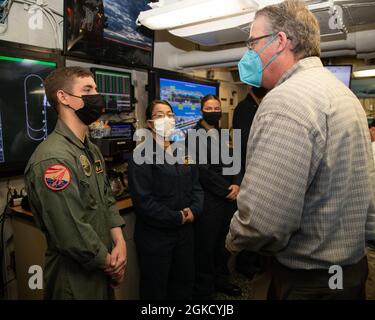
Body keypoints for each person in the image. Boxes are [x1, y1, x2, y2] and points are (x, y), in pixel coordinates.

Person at [226, 0, 375, 300]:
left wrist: (231, 240)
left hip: (309, 281)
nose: (249, 53)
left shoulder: (286, 100)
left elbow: (264, 223)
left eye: (252, 42)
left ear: (280, 41)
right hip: (347, 272)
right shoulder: (343, 96)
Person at [24, 67, 127, 299]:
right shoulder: (53, 159)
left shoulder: (91, 150)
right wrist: (111, 264)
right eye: (88, 89)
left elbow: (107, 199)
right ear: (63, 97)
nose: (96, 96)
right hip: (74, 279)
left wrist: (120, 243)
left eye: (96, 89)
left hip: (102, 267)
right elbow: (70, 230)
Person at [127, 100, 203, 300]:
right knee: (156, 289)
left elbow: (196, 187)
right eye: (160, 115)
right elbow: (144, 202)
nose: (167, 119)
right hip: (156, 236)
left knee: (184, 284)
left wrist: (194, 211)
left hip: (185, 233)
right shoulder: (140, 155)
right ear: (150, 123)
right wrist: (177, 217)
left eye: (170, 114)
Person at [187, 94, 242, 299]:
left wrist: (237, 183)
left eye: (216, 108)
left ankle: (222, 281)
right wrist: (227, 190)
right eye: (208, 109)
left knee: (223, 243)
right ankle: (205, 289)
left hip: (229, 196)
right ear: (201, 111)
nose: (213, 112)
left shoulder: (222, 133)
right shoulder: (194, 136)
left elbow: (236, 159)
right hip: (210, 198)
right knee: (206, 246)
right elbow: (203, 171)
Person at [232, 86, 268, 279]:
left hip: (258, 169)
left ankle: (254, 259)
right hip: (248, 170)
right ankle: (244, 263)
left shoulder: (262, 106)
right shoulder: (244, 109)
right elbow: (244, 143)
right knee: (250, 215)